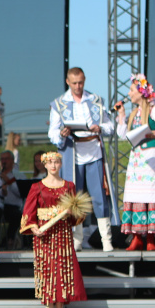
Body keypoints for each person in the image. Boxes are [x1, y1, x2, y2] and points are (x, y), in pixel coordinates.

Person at [48, 67, 118, 251]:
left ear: (84, 80)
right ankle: (77, 239)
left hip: (93, 151)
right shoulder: (59, 103)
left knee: (99, 197)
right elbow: (52, 134)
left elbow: (111, 126)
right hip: (73, 154)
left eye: (80, 82)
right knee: (74, 199)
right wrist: (62, 134)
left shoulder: (96, 100)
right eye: (74, 83)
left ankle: (106, 239)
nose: (78, 86)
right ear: (67, 82)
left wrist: (100, 128)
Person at [20, 152, 87, 308]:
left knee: (62, 269)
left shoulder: (69, 186)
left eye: (56, 162)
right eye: (50, 163)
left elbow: (75, 215)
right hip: (45, 235)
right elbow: (29, 211)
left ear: (60, 164)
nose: (53, 165)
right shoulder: (37, 187)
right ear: (44, 165)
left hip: (62, 234)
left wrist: (73, 213)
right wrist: (33, 227)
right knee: (46, 270)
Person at [115, 74, 155, 251]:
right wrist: (121, 115)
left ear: (141, 93)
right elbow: (123, 135)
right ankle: (137, 236)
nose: (129, 93)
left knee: (151, 194)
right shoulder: (134, 113)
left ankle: (150, 236)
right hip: (137, 158)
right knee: (136, 195)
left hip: (152, 156)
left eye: (131, 90)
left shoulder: (154, 110)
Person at [0, 150, 25, 250]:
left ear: (12, 161)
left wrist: (9, 181)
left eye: (6, 159)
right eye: (2, 159)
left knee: (16, 215)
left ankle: (9, 239)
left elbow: (20, 193)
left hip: (13, 206)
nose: (4, 161)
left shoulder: (19, 176)